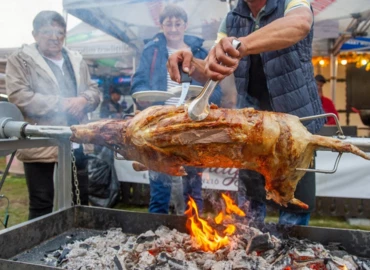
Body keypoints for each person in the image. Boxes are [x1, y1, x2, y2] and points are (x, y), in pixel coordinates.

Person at [167, 0, 325, 225]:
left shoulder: (290, 2)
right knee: (251, 205)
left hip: (296, 127)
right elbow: (216, 67)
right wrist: (193, 66)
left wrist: (241, 44)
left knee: (294, 209)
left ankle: (292, 255)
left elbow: (299, 24)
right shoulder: (232, 19)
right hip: (252, 130)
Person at [6, 11, 100, 220]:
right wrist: (61, 104)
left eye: (59, 32)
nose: (54, 37)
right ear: (35, 34)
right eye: (47, 31)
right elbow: (19, 96)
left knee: (80, 199)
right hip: (40, 143)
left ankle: (81, 247)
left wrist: (84, 100)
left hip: (76, 141)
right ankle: (40, 248)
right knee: (42, 203)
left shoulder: (76, 60)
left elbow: (94, 90)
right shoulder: (21, 60)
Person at [131, 4, 222, 214]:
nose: (173, 28)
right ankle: (156, 233)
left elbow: (215, 90)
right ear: (160, 25)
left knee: (193, 190)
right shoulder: (151, 51)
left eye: (177, 23)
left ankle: (194, 233)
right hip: (161, 127)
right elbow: (138, 85)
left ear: (185, 25)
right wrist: (148, 99)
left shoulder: (199, 52)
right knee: (159, 189)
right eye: (168, 23)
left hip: (192, 128)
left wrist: (200, 100)